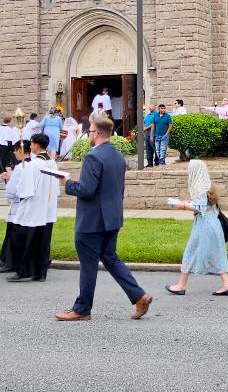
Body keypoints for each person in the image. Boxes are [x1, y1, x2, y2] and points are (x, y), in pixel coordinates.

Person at [56, 116, 153, 321]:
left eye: (90, 131)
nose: (89, 135)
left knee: (89, 264)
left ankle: (82, 309)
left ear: (97, 133)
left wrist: (67, 182)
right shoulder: (118, 155)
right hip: (112, 217)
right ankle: (139, 296)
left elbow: (86, 189)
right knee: (110, 258)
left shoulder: (93, 156)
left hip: (92, 220)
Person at [166, 159, 228, 296]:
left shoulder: (199, 187)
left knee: (190, 252)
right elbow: (205, 205)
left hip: (204, 226)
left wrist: (181, 205)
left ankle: (181, 285)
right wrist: (186, 202)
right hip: (213, 224)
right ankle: (226, 285)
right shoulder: (207, 185)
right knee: (217, 253)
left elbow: (199, 207)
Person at [2, 133, 59, 282]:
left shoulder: (33, 164)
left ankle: (24, 271)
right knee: (42, 242)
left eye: (32, 144)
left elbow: (24, 188)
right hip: (47, 209)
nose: (31, 146)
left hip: (32, 209)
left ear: (36, 145)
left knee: (24, 241)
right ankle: (40, 273)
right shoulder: (51, 162)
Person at [142, 103, 173, 168]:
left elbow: (170, 126)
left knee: (160, 148)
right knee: (152, 149)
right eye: (149, 107)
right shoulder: (150, 115)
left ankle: (159, 162)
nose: (150, 108)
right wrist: (147, 132)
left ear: (155, 108)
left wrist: (166, 134)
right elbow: (150, 124)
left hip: (159, 134)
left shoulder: (164, 116)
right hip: (151, 134)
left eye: (151, 107)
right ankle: (150, 163)